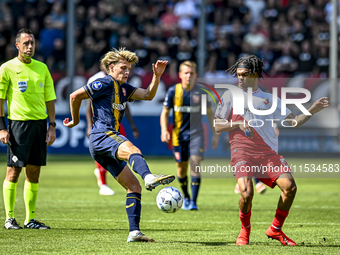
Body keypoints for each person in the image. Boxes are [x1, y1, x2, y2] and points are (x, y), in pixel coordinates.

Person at [214, 55, 329, 246]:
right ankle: (245, 231)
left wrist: (312, 109)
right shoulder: (230, 96)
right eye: (239, 75)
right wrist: (238, 124)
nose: (240, 78)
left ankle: (275, 229)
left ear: (256, 74)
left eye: (244, 74)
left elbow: (294, 122)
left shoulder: (270, 100)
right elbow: (218, 125)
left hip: (267, 154)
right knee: (246, 193)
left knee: (290, 187)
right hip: (242, 151)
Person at [63, 48, 175, 242]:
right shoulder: (104, 82)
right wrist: (74, 121)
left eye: (129, 68)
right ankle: (149, 176)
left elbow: (148, 95)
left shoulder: (124, 88)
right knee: (133, 150)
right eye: (123, 68)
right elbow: (75, 96)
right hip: (101, 135)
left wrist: (157, 76)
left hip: (102, 143)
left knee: (134, 187)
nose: (127, 72)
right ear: (111, 67)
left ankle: (134, 232)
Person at [0, 28, 56, 230]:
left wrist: (51, 126)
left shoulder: (42, 68)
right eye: (26, 43)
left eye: (32, 43)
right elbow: (0, 100)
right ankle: (9, 218)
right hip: (17, 126)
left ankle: (30, 219)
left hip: (40, 126)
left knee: (34, 172)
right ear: (17, 46)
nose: (30, 47)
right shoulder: (7, 68)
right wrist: (2, 128)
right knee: (13, 171)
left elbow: (50, 99)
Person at [160, 61, 219, 211]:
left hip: (196, 135)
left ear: (195, 75)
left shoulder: (202, 92)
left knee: (195, 165)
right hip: (178, 136)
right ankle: (185, 197)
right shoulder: (173, 91)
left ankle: (193, 201)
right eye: (186, 73)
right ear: (180, 75)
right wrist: (164, 130)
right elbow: (165, 112)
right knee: (181, 169)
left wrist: (215, 134)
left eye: (191, 73)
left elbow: (212, 114)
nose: (188, 76)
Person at [85, 63, 139, 196]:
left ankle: (125, 177)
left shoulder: (120, 80)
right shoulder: (96, 80)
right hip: (101, 125)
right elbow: (88, 104)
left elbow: (125, 104)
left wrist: (132, 124)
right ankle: (103, 183)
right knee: (102, 151)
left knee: (125, 149)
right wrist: (89, 125)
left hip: (116, 123)